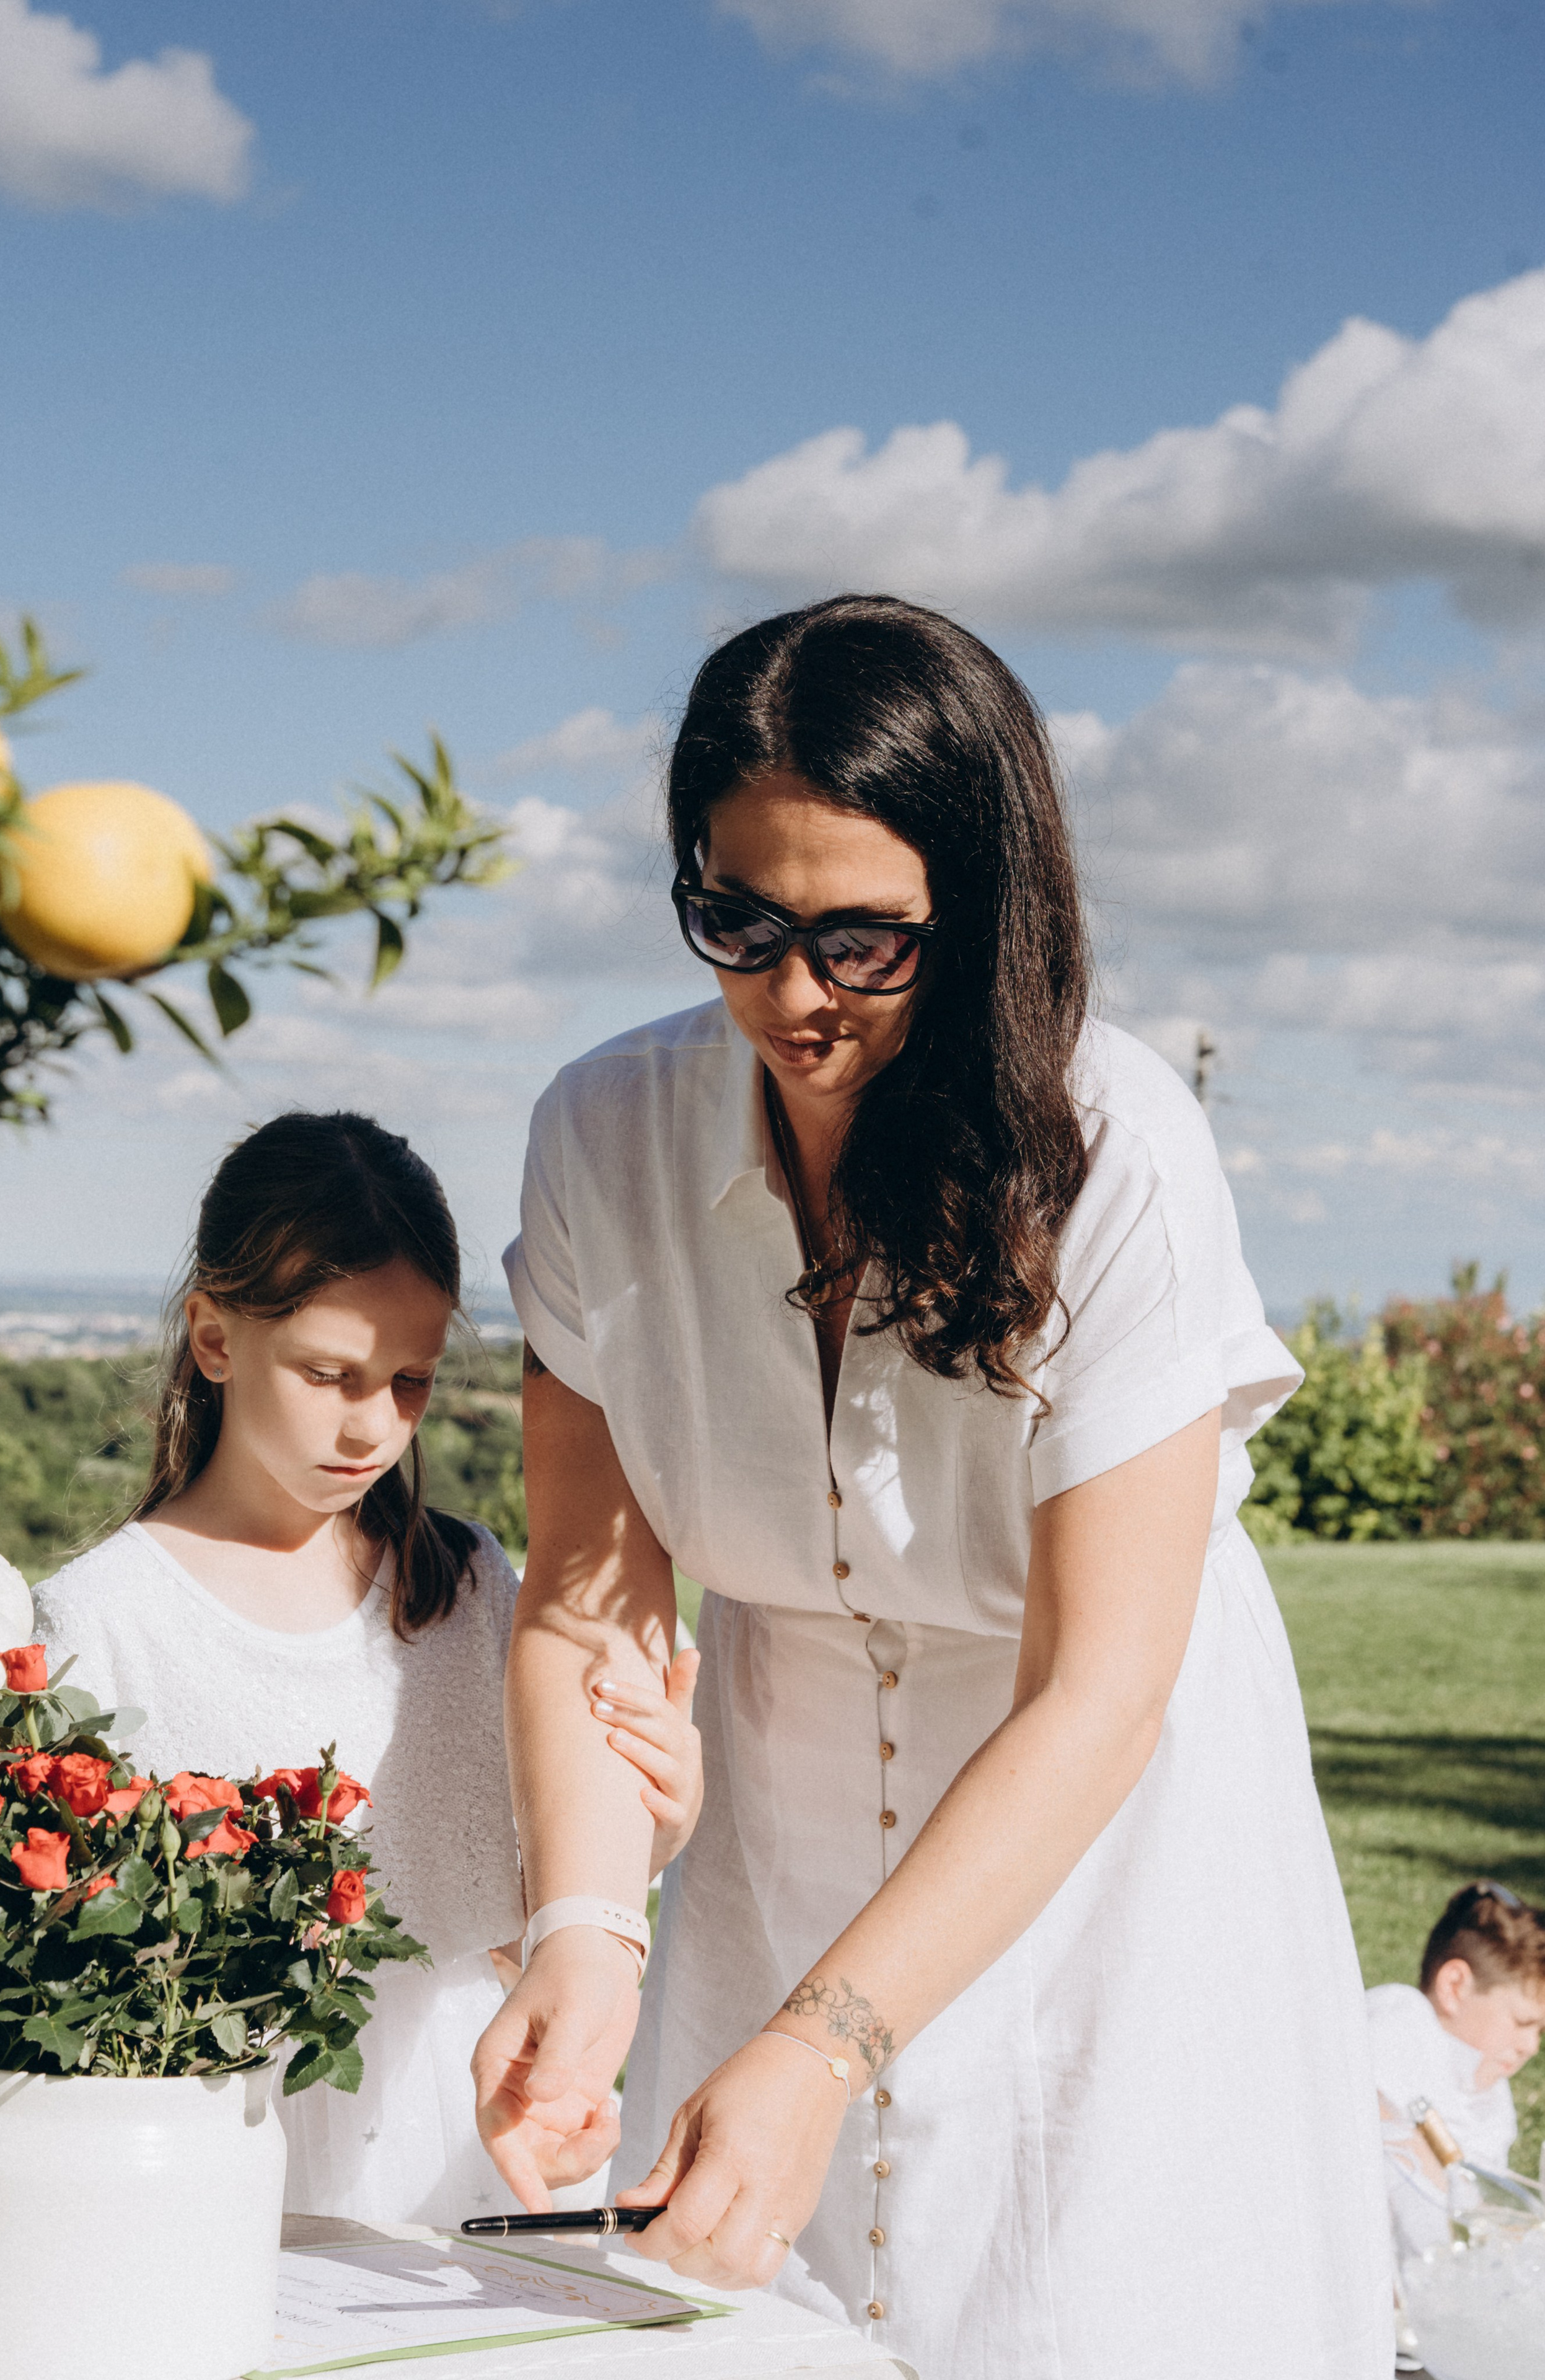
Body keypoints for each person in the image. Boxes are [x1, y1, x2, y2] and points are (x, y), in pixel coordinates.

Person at [472, 596, 1392, 2380]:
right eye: (736, 922)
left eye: (862, 942)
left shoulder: (1120, 1151)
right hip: (777, 1813)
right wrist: (584, 1933)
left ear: (978, 913)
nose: (791, 995)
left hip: (1103, 1842)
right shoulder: (598, 1133)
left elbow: (1100, 1691)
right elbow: (590, 1602)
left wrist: (826, 2042)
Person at [33, 1109, 701, 2228]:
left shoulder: (471, 1587)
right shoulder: (104, 1620)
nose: (373, 1429)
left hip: (476, 2114)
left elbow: (527, 1901)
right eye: (329, 1374)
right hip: (218, 2143)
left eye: (410, 1381)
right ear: (213, 1338)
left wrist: (653, 1827)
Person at [1370, 1880, 1545, 2261]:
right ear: (1454, 1986)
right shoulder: (1398, 2024)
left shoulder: (1487, 2091)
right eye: (1521, 2022)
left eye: (1539, 2032)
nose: (1531, 2046)